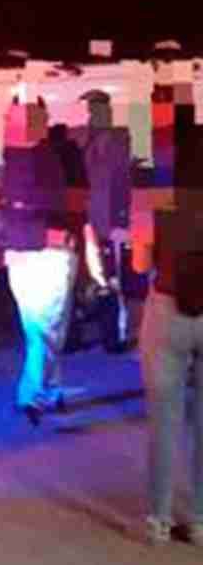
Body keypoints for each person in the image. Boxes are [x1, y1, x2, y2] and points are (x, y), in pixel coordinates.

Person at [0, 99, 107, 426]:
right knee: (43, 328)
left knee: (44, 328)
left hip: (50, 253)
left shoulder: (60, 154)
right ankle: (53, 388)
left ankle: (31, 393)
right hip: (25, 253)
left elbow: (76, 205)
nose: (8, 121)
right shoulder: (10, 157)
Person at [133, 207, 203, 545]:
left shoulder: (157, 195)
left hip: (167, 309)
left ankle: (159, 520)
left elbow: (140, 264)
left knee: (164, 420)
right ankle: (200, 519)